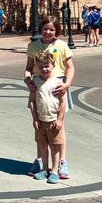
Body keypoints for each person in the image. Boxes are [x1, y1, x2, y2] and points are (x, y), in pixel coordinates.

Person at [24, 16, 74, 180]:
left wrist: (67, 84)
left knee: (58, 126)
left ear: (56, 31)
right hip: (39, 85)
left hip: (58, 85)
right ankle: (40, 162)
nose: (48, 32)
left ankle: (61, 162)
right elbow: (28, 68)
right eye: (45, 28)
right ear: (41, 29)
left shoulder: (61, 45)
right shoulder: (33, 46)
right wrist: (27, 80)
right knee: (40, 126)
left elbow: (70, 67)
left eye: (52, 29)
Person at [28, 50, 67, 184]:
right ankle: (44, 169)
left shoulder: (58, 83)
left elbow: (62, 102)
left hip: (53, 121)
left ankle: (55, 170)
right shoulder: (36, 82)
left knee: (54, 146)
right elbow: (32, 101)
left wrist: (60, 119)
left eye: (47, 66)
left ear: (53, 65)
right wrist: (34, 118)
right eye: (41, 66)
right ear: (37, 66)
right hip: (40, 120)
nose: (44, 69)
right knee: (42, 145)